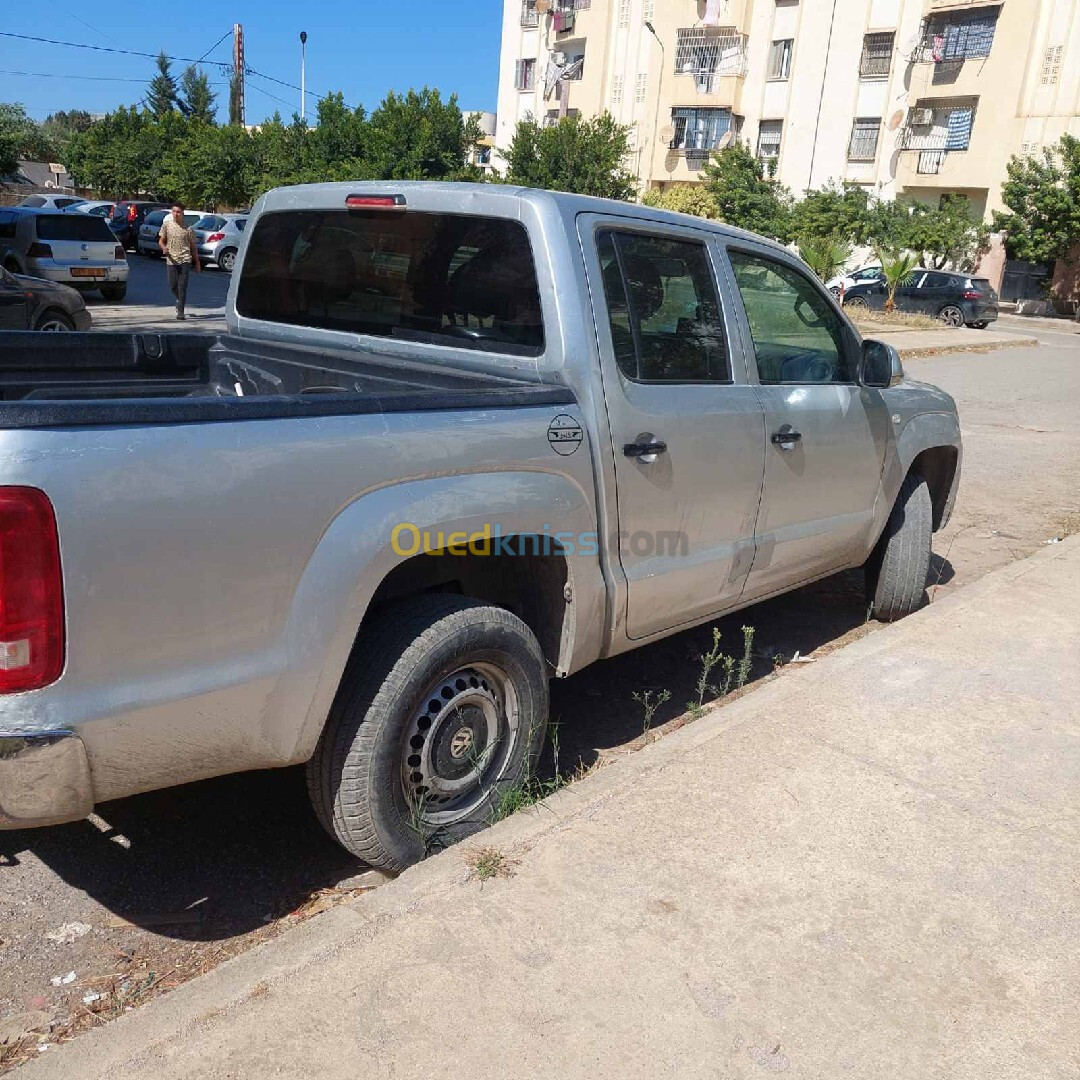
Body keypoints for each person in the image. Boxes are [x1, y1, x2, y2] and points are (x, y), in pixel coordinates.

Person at [158, 203, 201, 320]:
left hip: (185, 259)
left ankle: (181, 311)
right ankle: (179, 299)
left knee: (182, 286)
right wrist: (164, 248)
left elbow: (193, 247)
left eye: (178, 212)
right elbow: (161, 241)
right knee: (173, 285)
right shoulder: (167, 225)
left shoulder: (188, 228)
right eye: (174, 212)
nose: (176, 214)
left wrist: (197, 263)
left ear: (182, 213)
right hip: (171, 260)